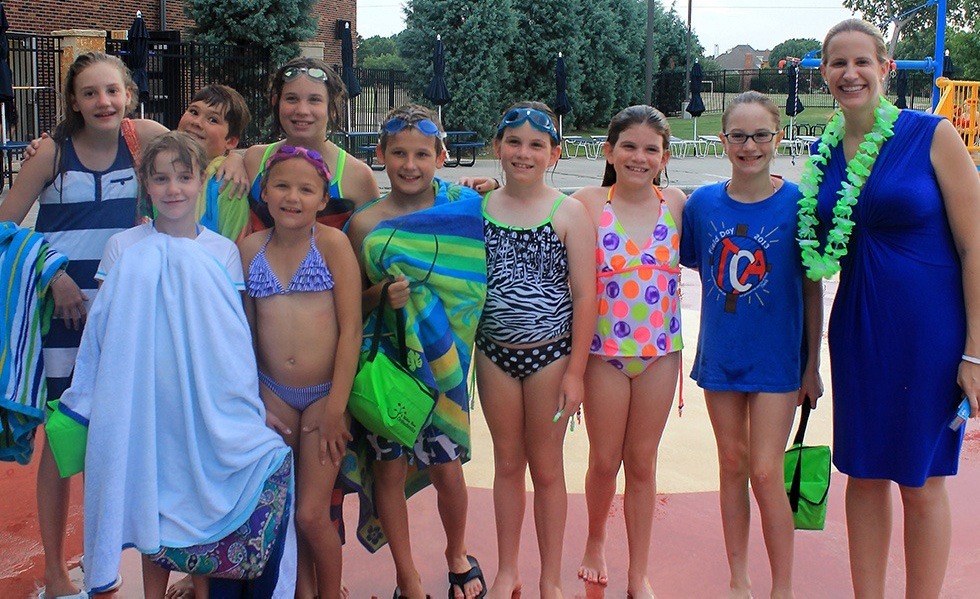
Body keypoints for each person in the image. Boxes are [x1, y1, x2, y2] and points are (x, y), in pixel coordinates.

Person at [805, 19, 980, 597]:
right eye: (837, 64)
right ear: (824, 73)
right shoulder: (821, 152)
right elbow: (810, 249)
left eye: (862, 62)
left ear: (887, 69)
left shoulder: (932, 135)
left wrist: (975, 351)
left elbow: (974, 243)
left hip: (929, 330)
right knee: (863, 471)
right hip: (857, 327)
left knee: (923, 478)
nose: (849, 74)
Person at [0, 51, 169, 599]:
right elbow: (3, 225)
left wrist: (238, 161)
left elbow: (203, 157)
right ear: (73, 100)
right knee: (64, 444)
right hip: (64, 322)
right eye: (91, 92)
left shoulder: (143, 137)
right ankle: (55, 571)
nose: (104, 102)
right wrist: (54, 275)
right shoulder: (50, 153)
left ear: (129, 95)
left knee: (138, 441)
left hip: (128, 322)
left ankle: (144, 567)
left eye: (113, 91)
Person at [86, 131, 252, 596]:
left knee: (199, 499)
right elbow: (110, 330)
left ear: (203, 180)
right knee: (151, 501)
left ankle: (202, 589)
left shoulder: (222, 251)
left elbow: (231, 335)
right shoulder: (123, 246)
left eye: (184, 177)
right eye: (160, 179)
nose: (173, 189)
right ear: (145, 183)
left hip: (202, 400)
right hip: (145, 400)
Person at [680, 91, 823, 598]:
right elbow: (693, 260)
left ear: (778, 138)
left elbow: (811, 289)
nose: (749, 145)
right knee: (732, 464)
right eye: (738, 135)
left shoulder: (800, 204)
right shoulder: (701, 204)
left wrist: (812, 365)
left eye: (760, 134)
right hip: (722, 356)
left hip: (778, 360)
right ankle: (738, 579)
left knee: (765, 470)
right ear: (723, 141)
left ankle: (781, 586)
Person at [344, 104, 485, 599]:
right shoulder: (364, 225)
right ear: (379, 154)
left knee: (448, 467)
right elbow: (348, 303)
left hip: (445, 368)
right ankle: (408, 576)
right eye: (398, 153)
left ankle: (457, 553)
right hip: (387, 372)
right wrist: (379, 296)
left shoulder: (463, 210)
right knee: (388, 467)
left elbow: (470, 287)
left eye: (422, 154)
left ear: (441, 156)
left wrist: (485, 192)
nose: (409, 164)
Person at [475, 102, 596, 599]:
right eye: (514, 142)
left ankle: (549, 576)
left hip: (550, 356)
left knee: (547, 469)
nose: (524, 153)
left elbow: (586, 295)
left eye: (536, 145)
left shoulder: (568, 212)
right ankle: (508, 568)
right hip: (493, 354)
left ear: (554, 153)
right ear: (498, 147)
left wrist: (576, 374)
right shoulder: (476, 209)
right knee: (506, 463)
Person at [571, 105, 686, 598]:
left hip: (660, 353)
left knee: (642, 462)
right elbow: (528, 210)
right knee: (604, 459)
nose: (639, 157)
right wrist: (480, 192)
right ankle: (595, 540)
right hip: (604, 354)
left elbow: (735, 207)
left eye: (651, 149)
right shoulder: (587, 203)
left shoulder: (677, 202)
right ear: (609, 151)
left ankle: (638, 570)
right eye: (629, 147)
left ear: (664, 157)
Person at [238, 144, 361, 599]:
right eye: (282, 186)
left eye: (305, 189)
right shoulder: (250, 249)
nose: (293, 197)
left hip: (326, 396)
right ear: (264, 193)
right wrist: (253, 400)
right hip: (273, 396)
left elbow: (351, 331)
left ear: (322, 199)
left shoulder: (331, 244)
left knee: (311, 513)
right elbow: (246, 336)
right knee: (280, 511)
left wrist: (336, 408)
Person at [244, 57, 380, 233]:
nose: (302, 110)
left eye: (314, 100)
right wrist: (230, 159)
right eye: (291, 98)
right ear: (276, 103)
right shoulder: (253, 160)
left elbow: (370, 249)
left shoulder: (357, 176)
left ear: (331, 108)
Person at [177, 84, 253, 242]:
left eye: (213, 120)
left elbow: (235, 247)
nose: (197, 122)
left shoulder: (228, 185)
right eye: (193, 112)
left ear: (231, 142)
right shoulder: (158, 170)